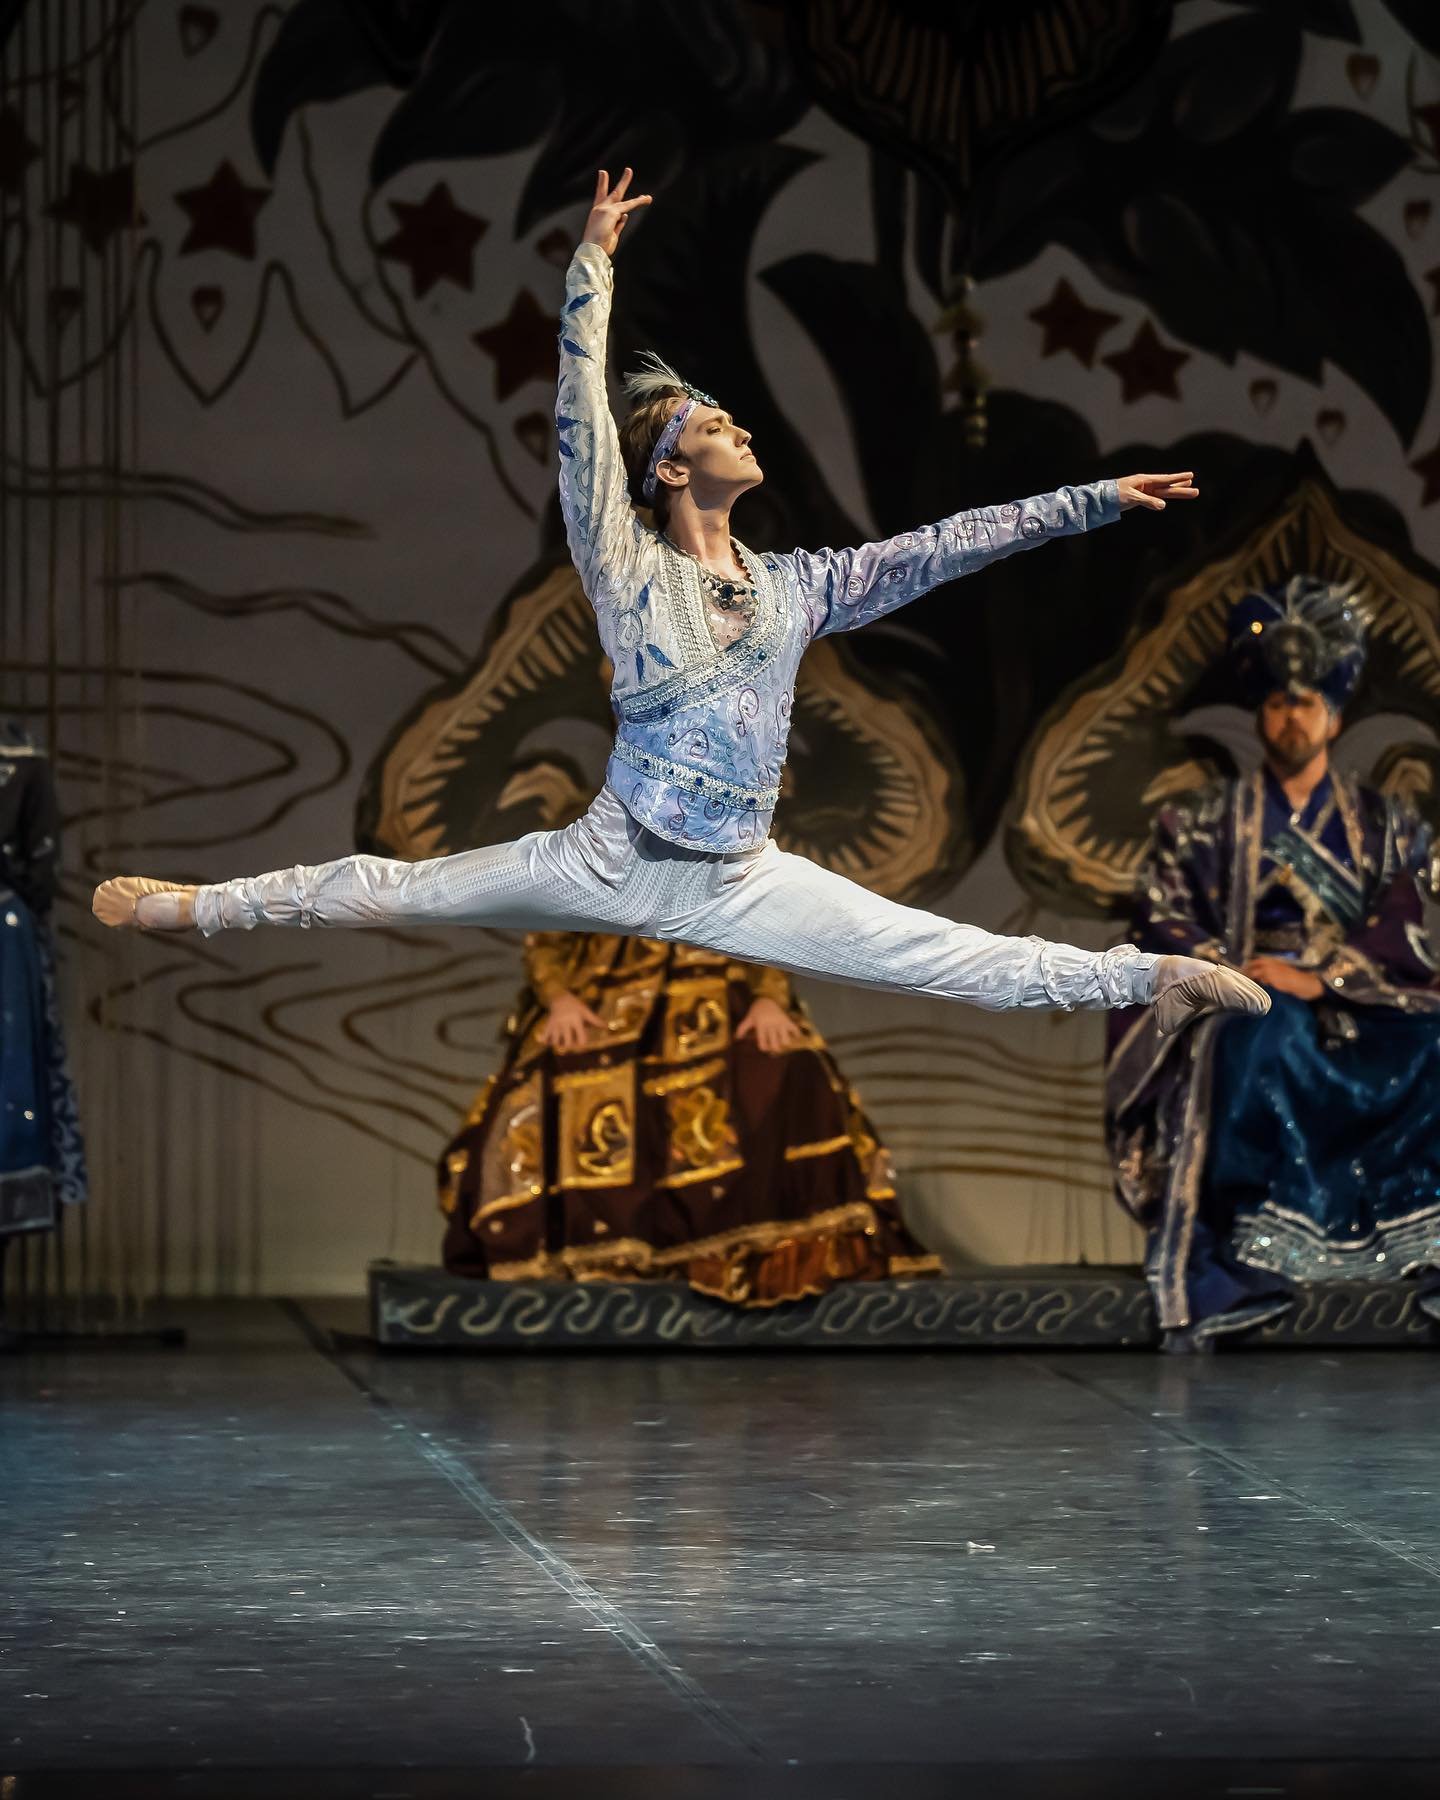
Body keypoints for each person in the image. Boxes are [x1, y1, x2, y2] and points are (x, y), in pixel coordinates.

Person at [92, 168, 1266, 1045]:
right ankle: (198, 905)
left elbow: (947, 546)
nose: (743, 431)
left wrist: (1093, 498)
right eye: (718, 425)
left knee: (947, 956)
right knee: (396, 888)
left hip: (740, 877)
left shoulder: (798, 587)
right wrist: (592, 267)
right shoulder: (627, 563)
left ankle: (1150, 978)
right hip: (608, 858)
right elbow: (578, 428)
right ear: (668, 468)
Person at [1106, 577, 1440, 1347]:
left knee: (1431, 1045)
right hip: (1247, 989)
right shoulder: (1202, 823)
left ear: (1338, 716)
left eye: (1310, 702)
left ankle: (1419, 1249)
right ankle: (1241, 1262)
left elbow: (1410, 915)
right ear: (1260, 713)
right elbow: (1163, 917)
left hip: (1361, 997)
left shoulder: (1387, 824)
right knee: (1262, 1035)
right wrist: (1238, 970)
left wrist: (1330, 975)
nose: (1294, 716)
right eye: (1281, 702)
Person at [439, 929, 938, 1303]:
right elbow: (548, 936)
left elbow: (768, 929)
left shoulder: (731, 832)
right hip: (606, 992)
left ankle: (760, 1244)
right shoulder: (598, 834)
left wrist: (769, 999)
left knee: (789, 1064)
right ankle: (598, 1242)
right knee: (548, 1084)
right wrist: (559, 999)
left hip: (718, 984)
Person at [1, 722, 87, 1241]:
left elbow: (38, 868)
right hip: (8, 933)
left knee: (11, 1098)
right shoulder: (21, 753)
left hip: (6, 933)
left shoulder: (21, 754)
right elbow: (40, 870)